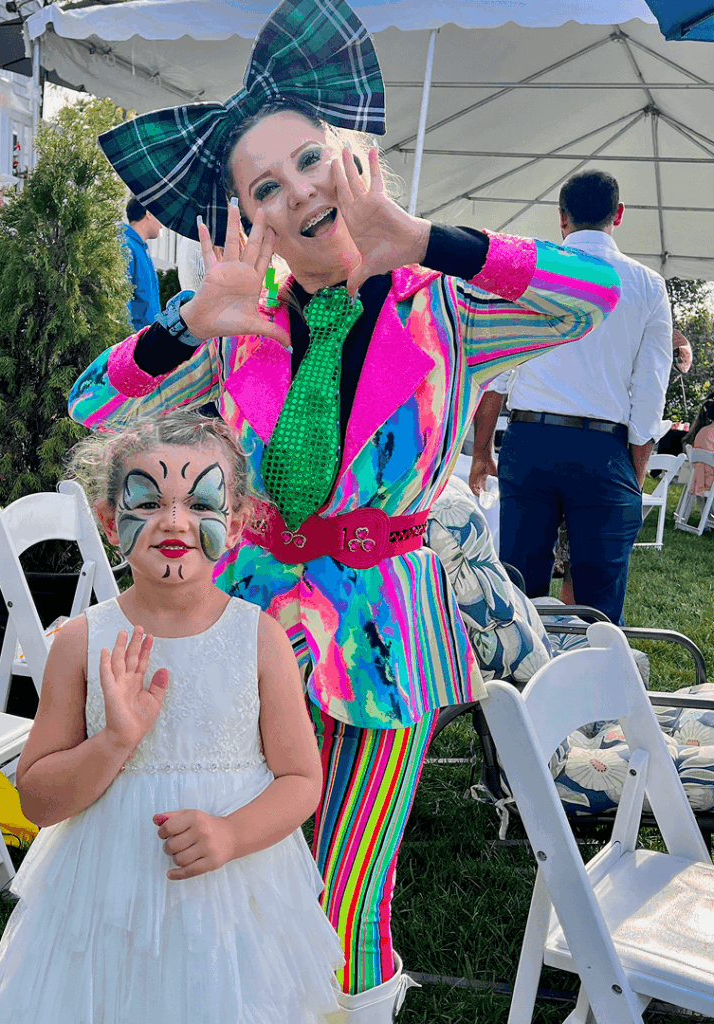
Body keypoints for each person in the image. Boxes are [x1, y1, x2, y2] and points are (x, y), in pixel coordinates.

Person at [69, 1, 620, 1018]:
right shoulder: (241, 321)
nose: (297, 192)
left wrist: (423, 238)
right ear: (250, 219)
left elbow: (594, 295)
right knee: (237, 850)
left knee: (346, 885)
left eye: (309, 160)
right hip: (249, 620)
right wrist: (189, 318)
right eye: (263, 188)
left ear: (350, 159)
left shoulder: (441, 300)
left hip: (383, 630)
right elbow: (93, 402)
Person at [0, 411, 345, 1024]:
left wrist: (231, 835)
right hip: (104, 903)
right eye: (147, 502)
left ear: (234, 525)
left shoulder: (261, 640)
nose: (174, 522)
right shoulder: (80, 642)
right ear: (107, 520)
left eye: (198, 501)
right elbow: (37, 802)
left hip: (232, 901)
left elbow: (302, 781)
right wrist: (115, 741)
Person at [470, 169, 672, 625]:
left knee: (519, 586)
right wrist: (634, 470)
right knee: (598, 601)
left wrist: (482, 450)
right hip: (604, 447)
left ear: (561, 217)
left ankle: (521, 684)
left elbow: (499, 372)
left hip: (529, 440)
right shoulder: (647, 284)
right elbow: (650, 388)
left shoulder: (532, 268)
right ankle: (593, 680)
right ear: (617, 215)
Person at [122, 197, 162, 331]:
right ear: (149, 213)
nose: (162, 225)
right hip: (134, 343)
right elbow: (121, 302)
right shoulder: (125, 246)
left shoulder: (141, 248)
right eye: (160, 216)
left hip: (147, 338)